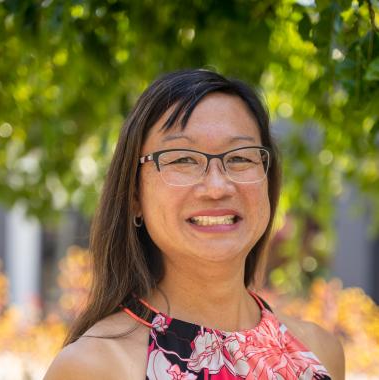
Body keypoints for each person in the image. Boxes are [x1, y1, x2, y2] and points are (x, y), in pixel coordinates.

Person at [44, 69, 345, 380]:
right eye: (182, 159)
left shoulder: (319, 353)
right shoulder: (96, 366)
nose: (217, 187)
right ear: (134, 196)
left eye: (240, 158)